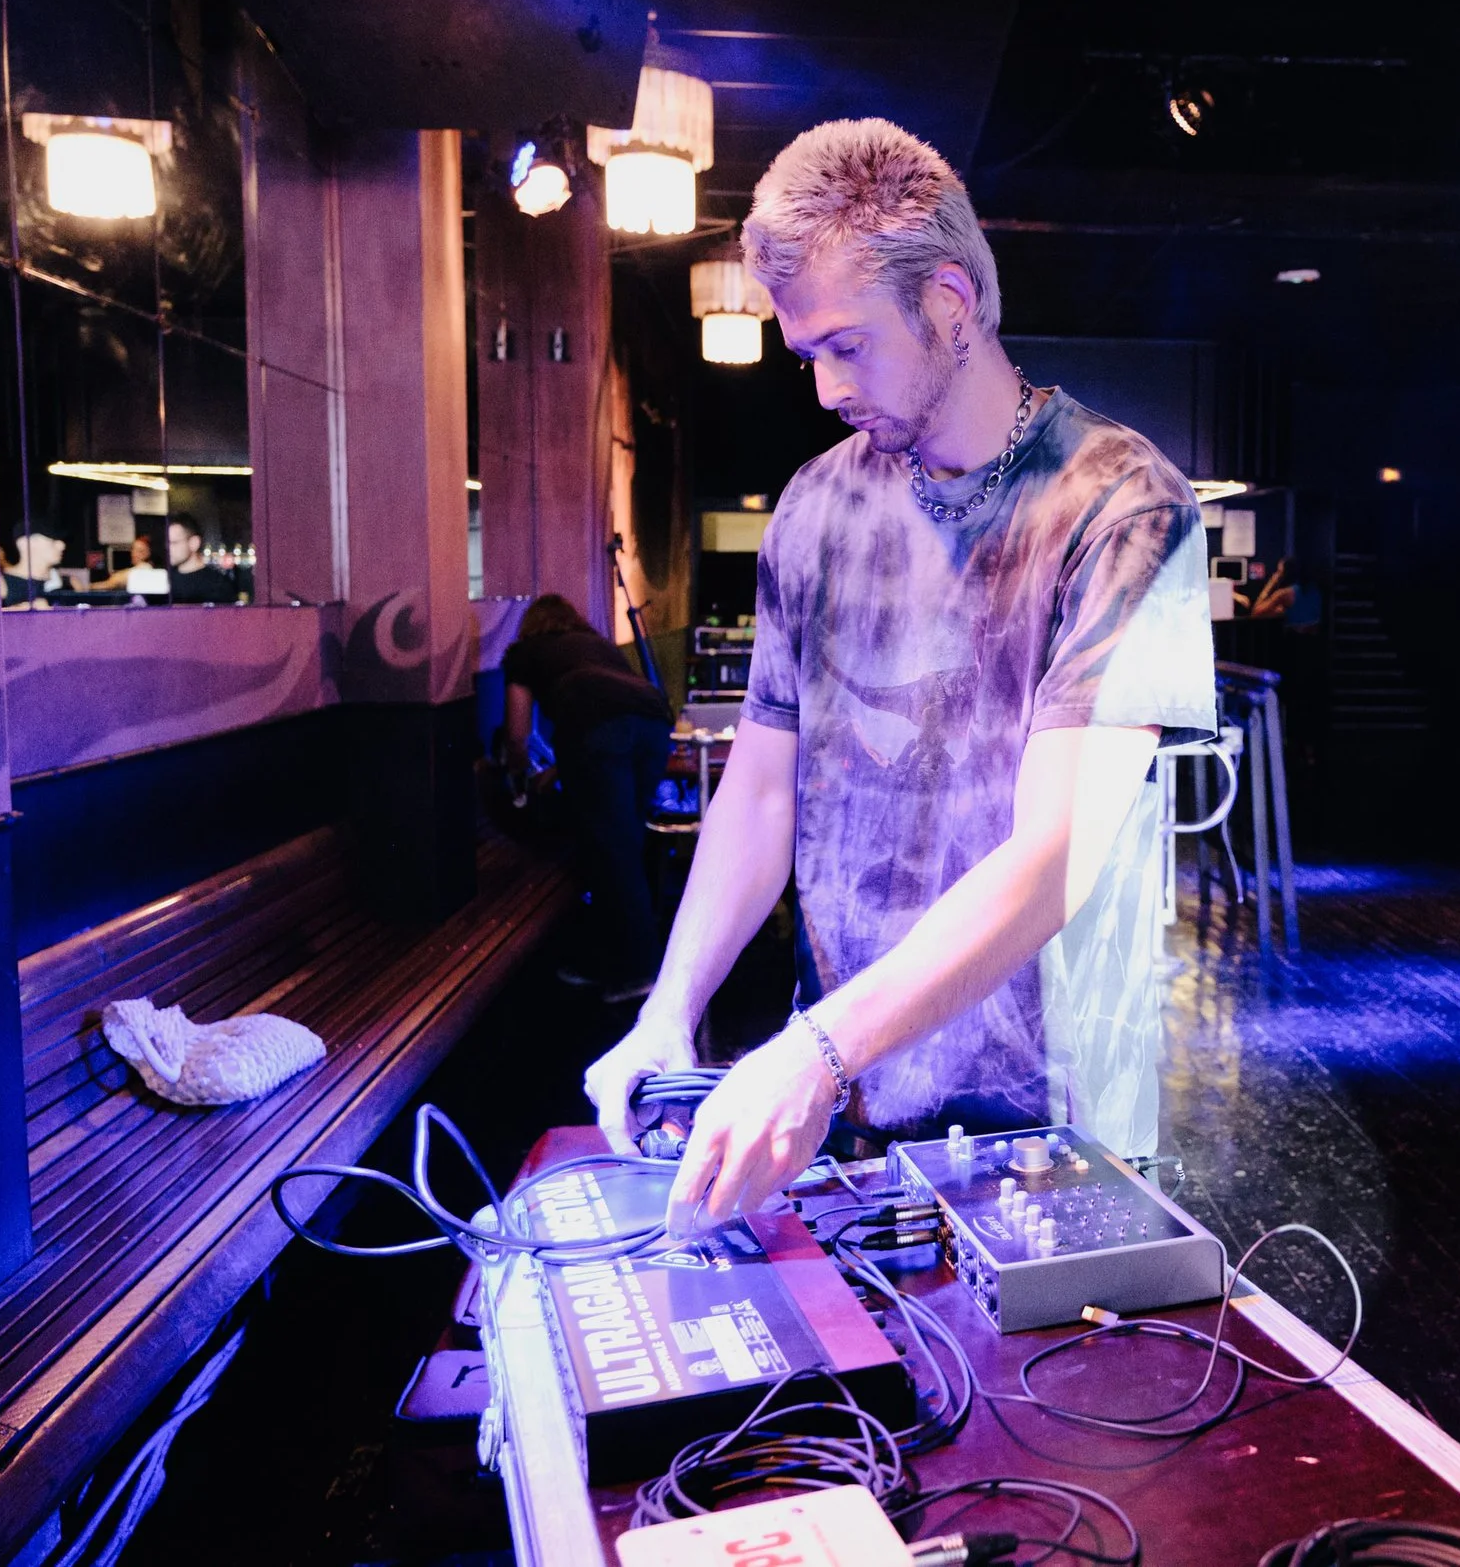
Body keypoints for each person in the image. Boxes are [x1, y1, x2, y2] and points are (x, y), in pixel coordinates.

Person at [582, 118, 1215, 1226]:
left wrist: (814, 1050)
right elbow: (761, 790)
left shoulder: (1124, 504)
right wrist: (669, 1009)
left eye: (847, 345)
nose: (825, 389)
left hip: (1050, 1119)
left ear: (949, 304)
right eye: (808, 356)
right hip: (849, 1098)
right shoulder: (815, 506)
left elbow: (1057, 855)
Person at [501, 594, 675, 999]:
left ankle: (639, 973)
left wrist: (518, 775)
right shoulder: (597, 646)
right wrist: (564, 767)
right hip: (653, 726)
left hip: (596, 730)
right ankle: (606, 962)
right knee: (624, 844)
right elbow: (615, 713)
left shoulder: (524, 653)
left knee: (613, 853)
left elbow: (517, 734)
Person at [165, 516, 238, 604]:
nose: (167, 548)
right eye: (167, 543)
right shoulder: (164, 580)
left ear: (194, 543)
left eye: (174, 543)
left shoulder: (218, 585)